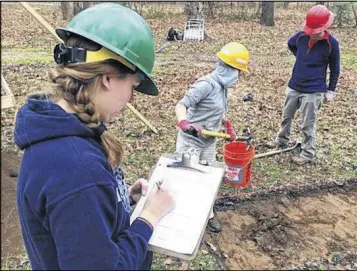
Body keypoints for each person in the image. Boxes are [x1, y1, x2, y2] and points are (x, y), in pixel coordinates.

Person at [14, 3, 174, 270]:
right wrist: (148, 219)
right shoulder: (78, 169)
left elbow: (79, 226)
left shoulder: (51, 135)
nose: (131, 99)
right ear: (108, 78)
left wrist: (119, 200)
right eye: (132, 86)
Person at [174, 42, 249, 232]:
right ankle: (181, 216)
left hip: (209, 142)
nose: (238, 76)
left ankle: (207, 215)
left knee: (207, 179)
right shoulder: (205, 85)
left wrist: (226, 124)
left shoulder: (223, 87)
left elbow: (216, 111)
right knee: (187, 179)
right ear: (228, 68)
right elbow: (181, 105)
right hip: (191, 141)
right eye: (238, 71)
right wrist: (185, 123)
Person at [265, 4, 340, 165]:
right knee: (286, 116)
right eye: (311, 32)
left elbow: (335, 68)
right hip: (295, 84)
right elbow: (291, 44)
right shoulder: (300, 37)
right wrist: (300, 57)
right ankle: (282, 139)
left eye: (317, 32)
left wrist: (331, 90)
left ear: (326, 27)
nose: (313, 35)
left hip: (314, 90)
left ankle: (307, 153)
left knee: (308, 123)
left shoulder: (332, 44)